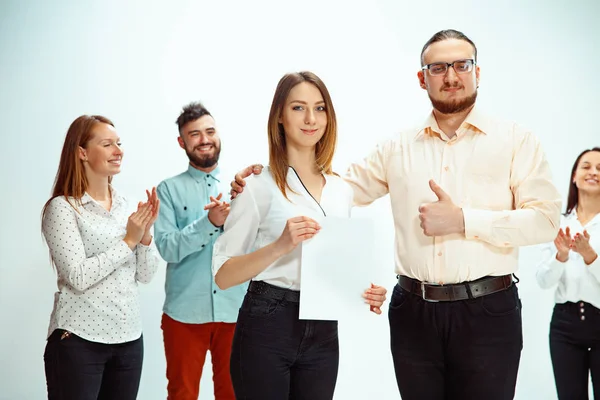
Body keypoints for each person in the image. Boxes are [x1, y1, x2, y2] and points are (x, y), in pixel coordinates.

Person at [230, 30, 563, 400]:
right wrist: (262, 182)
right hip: (413, 314)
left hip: (487, 312)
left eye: (461, 65)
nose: (451, 75)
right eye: (438, 67)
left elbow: (546, 221)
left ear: (477, 72)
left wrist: (464, 220)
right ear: (423, 78)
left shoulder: (516, 140)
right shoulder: (397, 149)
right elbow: (329, 192)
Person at [211, 71, 387, 399]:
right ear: (280, 115)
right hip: (267, 324)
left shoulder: (341, 189)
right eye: (298, 108)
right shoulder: (257, 185)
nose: (310, 119)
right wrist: (280, 245)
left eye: (320, 108)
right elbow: (223, 276)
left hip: (323, 330)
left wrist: (366, 292)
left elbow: (335, 266)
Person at [41, 115, 160, 400]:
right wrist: (129, 240)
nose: (118, 151)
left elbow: (145, 275)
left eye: (118, 143)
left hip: (129, 340)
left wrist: (144, 238)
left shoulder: (128, 206)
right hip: (79, 341)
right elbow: (78, 276)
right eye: (107, 144)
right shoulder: (62, 209)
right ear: (82, 152)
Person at [153, 102, 246, 400]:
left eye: (210, 131)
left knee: (234, 394)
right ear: (182, 142)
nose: (204, 139)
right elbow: (167, 247)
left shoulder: (243, 186)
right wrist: (209, 222)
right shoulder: (167, 190)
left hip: (237, 311)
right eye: (195, 134)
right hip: (184, 315)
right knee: (182, 394)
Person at [536, 147, 600, 400]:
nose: (593, 172)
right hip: (565, 325)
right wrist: (560, 256)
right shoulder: (558, 223)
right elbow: (543, 281)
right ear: (574, 176)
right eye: (586, 166)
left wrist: (589, 256)